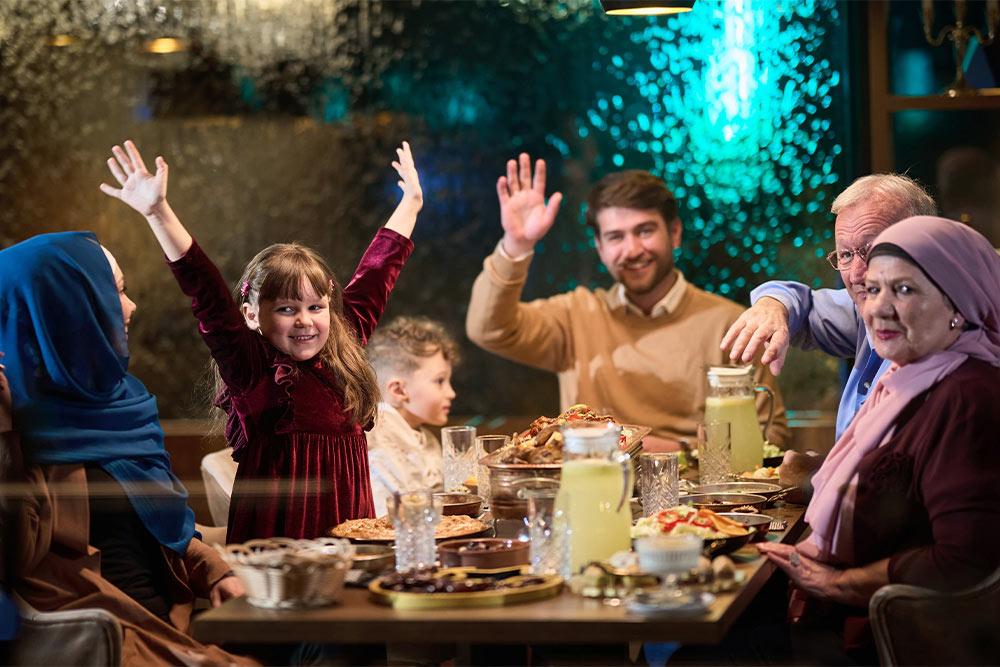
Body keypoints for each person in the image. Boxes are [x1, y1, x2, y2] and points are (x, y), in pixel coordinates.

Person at [100, 139, 422, 542]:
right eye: (286, 309)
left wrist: (410, 203)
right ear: (252, 315)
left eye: (316, 307)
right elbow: (206, 291)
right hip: (280, 548)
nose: (305, 321)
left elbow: (378, 273)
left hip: (351, 540)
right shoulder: (252, 368)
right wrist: (157, 211)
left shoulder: (343, 343)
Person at [0, 232, 255, 666]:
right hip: (110, 641)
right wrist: (5, 437)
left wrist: (214, 568)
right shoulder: (15, 421)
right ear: (66, 309)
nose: (132, 305)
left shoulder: (119, 402)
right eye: (115, 290)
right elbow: (16, 560)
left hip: (172, 627)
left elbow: (156, 528)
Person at [758, 216, 1000, 662]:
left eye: (904, 290)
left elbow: (963, 561)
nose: (878, 309)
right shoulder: (909, 376)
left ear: (958, 306)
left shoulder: (967, 396)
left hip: (879, 638)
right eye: (871, 290)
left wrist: (833, 585)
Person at [466, 154, 788, 452]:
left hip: (695, 503)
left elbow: (769, 437)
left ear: (674, 233)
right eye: (616, 237)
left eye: (645, 231)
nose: (632, 249)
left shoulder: (730, 324)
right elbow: (489, 329)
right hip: (590, 492)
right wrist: (517, 245)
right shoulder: (575, 316)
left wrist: (679, 452)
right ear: (600, 247)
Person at [720, 174, 936, 491]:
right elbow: (803, 307)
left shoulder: (951, 341)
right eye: (845, 255)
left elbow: (911, 486)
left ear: (926, 245)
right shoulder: (866, 309)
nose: (857, 273)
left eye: (871, 248)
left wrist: (818, 479)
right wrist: (772, 306)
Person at [365, 316, 459, 515]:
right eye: (440, 381)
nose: (451, 393)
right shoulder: (380, 438)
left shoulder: (421, 436)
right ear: (399, 390)